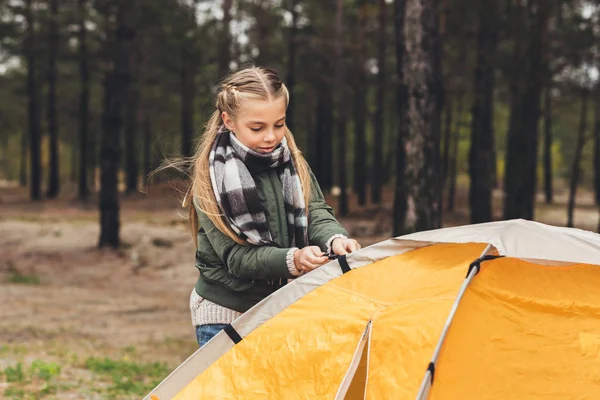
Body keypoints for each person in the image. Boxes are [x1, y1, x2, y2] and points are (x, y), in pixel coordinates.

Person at [185, 66, 361, 347]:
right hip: (224, 317)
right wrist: (293, 260)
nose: (271, 136)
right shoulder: (211, 179)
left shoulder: (293, 162)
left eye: (279, 124)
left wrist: (335, 238)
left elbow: (314, 210)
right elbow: (236, 257)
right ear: (228, 121)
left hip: (280, 308)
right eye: (257, 128)